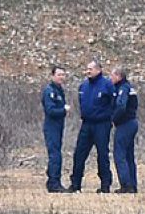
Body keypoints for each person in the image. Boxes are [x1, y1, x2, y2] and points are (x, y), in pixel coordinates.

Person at [68, 59, 115, 193]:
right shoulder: (83, 86)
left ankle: (105, 185)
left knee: (102, 154)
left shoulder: (107, 85)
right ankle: (75, 184)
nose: (88, 71)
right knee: (79, 154)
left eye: (91, 69)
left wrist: (110, 118)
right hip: (86, 124)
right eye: (87, 69)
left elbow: (114, 103)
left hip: (102, 124)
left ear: (99, 70)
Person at [110, 66, 140, 193]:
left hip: (125, 124)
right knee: (128, 155)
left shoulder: (123, 89)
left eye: (112, 76)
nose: (110, 78)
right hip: (132, 122)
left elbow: (121, 106)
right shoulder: (129, 87)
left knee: (120, 154)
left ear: (118, 76)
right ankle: (132, 184)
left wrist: (112, 118)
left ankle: (126, 184)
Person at [41, 65, 70, 193]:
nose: (61, 77)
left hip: (58, 126)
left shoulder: (59, 90)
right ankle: (54, 183)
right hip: (51, 127)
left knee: (56, 153)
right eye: (59, 75)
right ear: (52, 76)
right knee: (55, 155)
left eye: (63, 75)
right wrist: (63, 110)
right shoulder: (50, 91)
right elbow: (50, 110)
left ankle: (53, 181)